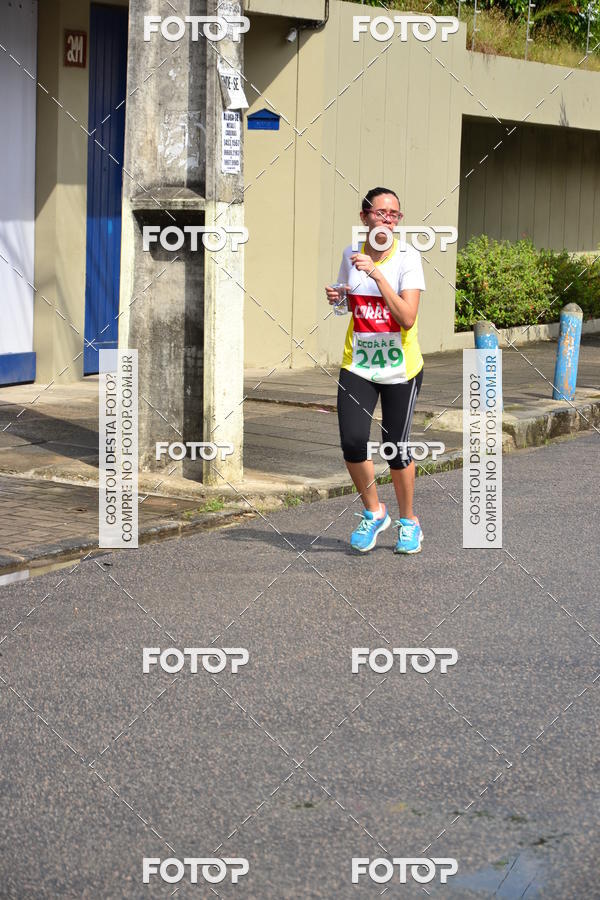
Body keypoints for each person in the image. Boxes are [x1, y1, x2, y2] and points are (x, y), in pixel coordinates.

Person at [325, 187, 426, 554]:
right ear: (365, 215)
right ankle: (375, 512)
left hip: (401, 369)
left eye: (394, 214)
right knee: (352, 442)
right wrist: (338, 300)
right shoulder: (350, 256)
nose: (387, 219)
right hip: (359, 364)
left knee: (394, 448)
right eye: (381, 212)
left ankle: (409, 521)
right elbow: (346, 305)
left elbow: (407, 317)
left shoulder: (408, 259)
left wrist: (379, 276)